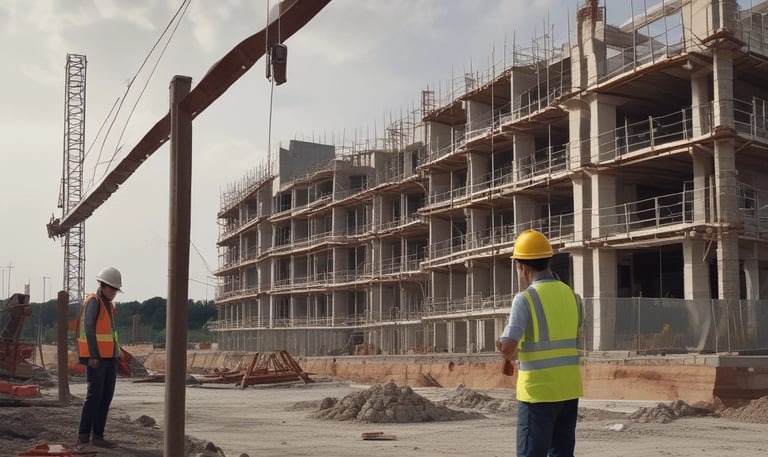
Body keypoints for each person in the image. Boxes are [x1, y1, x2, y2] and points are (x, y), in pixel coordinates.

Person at [497, 229, 583, 457]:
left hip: (538, 394)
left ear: (523, 267)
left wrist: (506, 349)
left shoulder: (525, 299)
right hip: (568, 391)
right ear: (548, 260)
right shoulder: (572, 296)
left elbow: (507, 346)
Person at [75, 266, 123, 448]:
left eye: (116, 290)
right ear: (103, 286)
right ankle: (83, 435)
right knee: (94, 396)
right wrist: (93, 355)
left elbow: (110, 334)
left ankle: (98, 436)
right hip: (96, 359)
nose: (114, 293)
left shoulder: (109, 306)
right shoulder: (94, 301)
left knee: (105, 397)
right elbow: (88, 326)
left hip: (109, 358)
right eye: (112, 289)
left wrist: (116, 355)